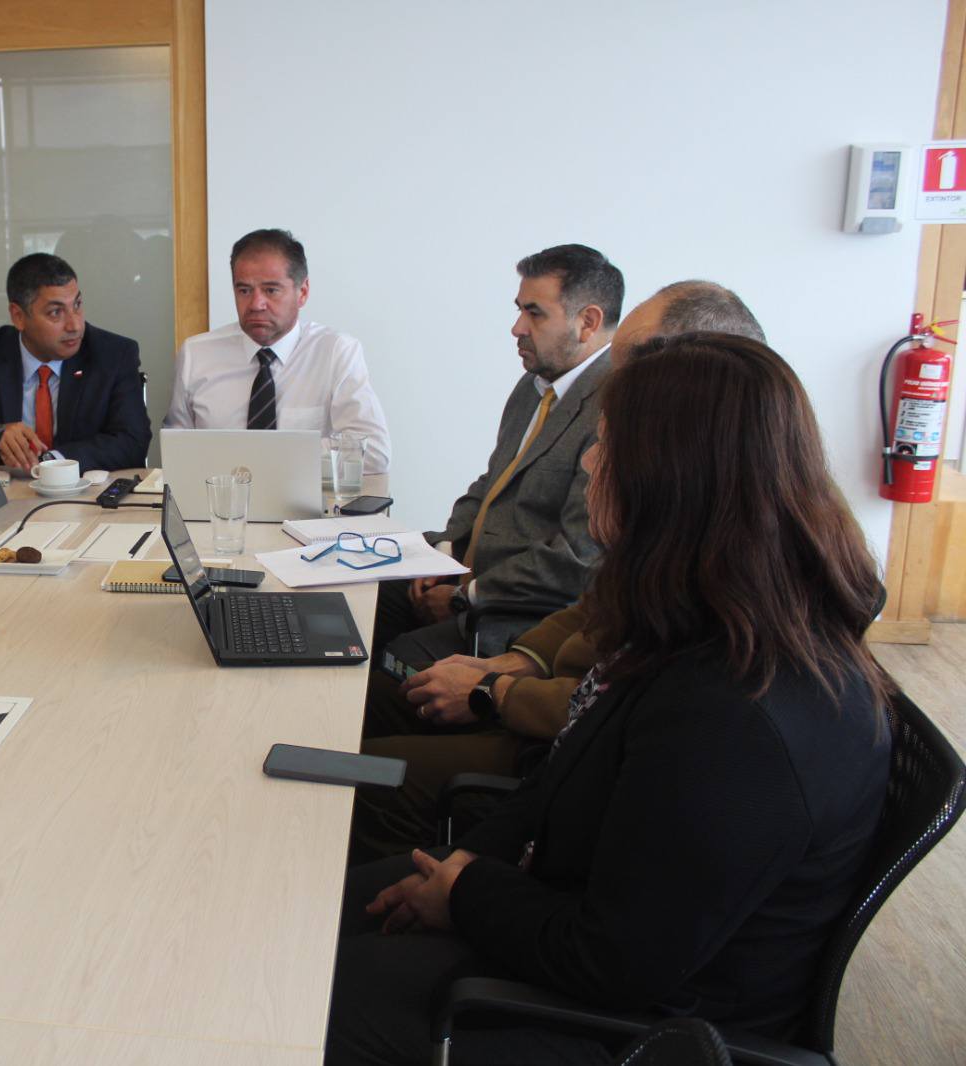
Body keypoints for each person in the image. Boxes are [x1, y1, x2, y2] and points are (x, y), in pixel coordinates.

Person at [327, 331, 892, 1065]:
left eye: (608, 446)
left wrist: (465, 893)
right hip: (562, 921)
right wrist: (462, 863)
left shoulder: (737, 713)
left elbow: (616, 961)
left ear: (672, 480)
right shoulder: (692, 617)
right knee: (315, 921)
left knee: (304, 1002)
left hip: (637, 1029)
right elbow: (556, 786)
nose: (591, 463)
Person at [352, 281, 767, 862]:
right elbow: (591, 604)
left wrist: (492, 685)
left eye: (632, 363)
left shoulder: (726, 573)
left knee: (367, 770)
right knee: (368, 688)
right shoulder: (672, 521)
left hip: (557, 752)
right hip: (538, 693)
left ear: (696, 387)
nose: (595, 455)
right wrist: (512, 659)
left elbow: (606, 710)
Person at [366, 244, 621, 738]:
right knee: (358, 594)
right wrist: (444, 552)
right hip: (466, 574)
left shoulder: (613, 403)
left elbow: (576, 556)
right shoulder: (534, 386)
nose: (517, 328)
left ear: (588, 322)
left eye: (534, 313)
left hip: (518, 611)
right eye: (519, 309)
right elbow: (490, 483)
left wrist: (467, 594)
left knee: (382, 682)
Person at [164, 228, 390, 474]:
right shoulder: (197, 354)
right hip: (218, 495)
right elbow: (175, 452)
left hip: (303, 498)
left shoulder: (335, 352)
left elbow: (374, 452)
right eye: (244, 290)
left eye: (271, 290)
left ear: (302, 292)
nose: (256, 304)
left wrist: (270, 456)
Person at [0, 253, 150, 473]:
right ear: (18, 316)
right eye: (56, 312)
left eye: (77, 305)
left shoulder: (113, 355)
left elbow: (132, 442)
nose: (75, 325)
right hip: (6, 498)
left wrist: (51, 462)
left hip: (85, 496)